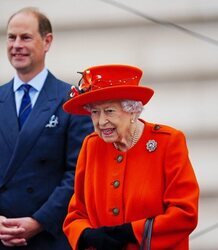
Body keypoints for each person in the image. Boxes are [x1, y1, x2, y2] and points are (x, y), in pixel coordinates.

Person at [0, 7, 93, 250]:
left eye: (25, 37)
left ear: (47, 42)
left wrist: (39, 221)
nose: (16, 45)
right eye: (11, 37)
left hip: (50, 237)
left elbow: (78, 174)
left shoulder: (72, 100)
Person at [62, 64, 199, 250]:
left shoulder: (168, 142)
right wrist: (87, 235)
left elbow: (185, 213)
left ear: (133, 110)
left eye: (109, 111)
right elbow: (77, 213)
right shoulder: (91, 145)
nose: (101, 122)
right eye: (95, 112)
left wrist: (131, 231)